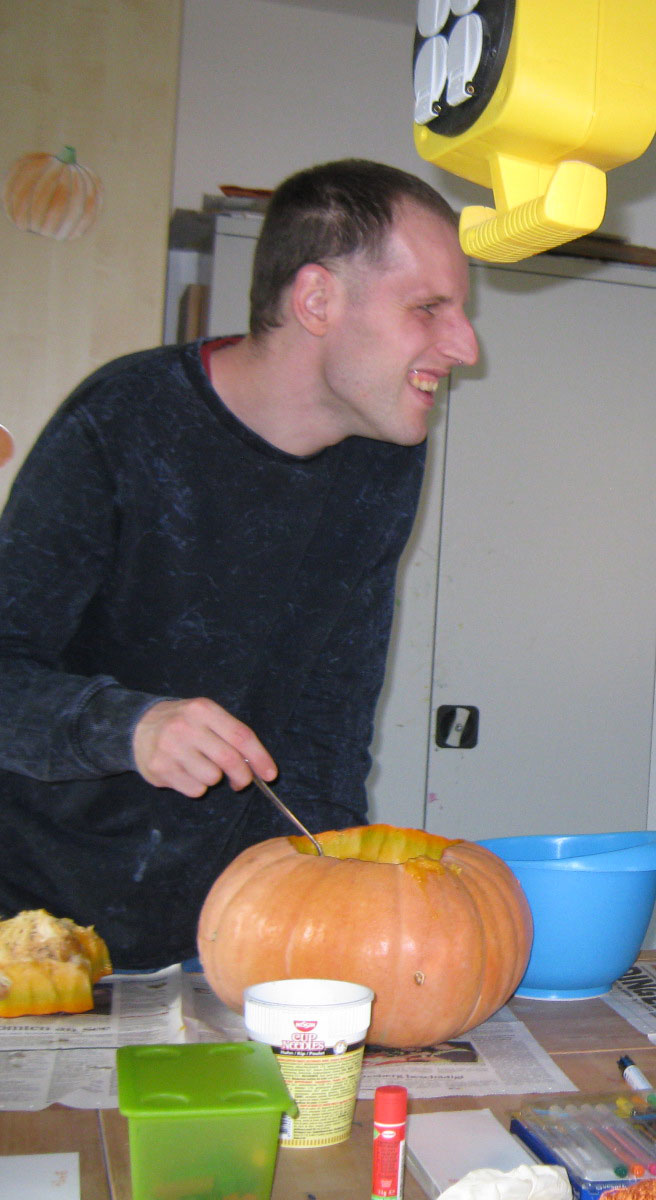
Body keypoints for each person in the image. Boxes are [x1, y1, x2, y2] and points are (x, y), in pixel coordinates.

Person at [0, 159, 479, 970]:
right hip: (36, 926)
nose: (465, 345)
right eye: (429, 308)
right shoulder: (121, 421)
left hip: (231, 925)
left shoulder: (384, 458)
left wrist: (333, 902)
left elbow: (330, 724)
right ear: (316, 300)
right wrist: (133, 726)